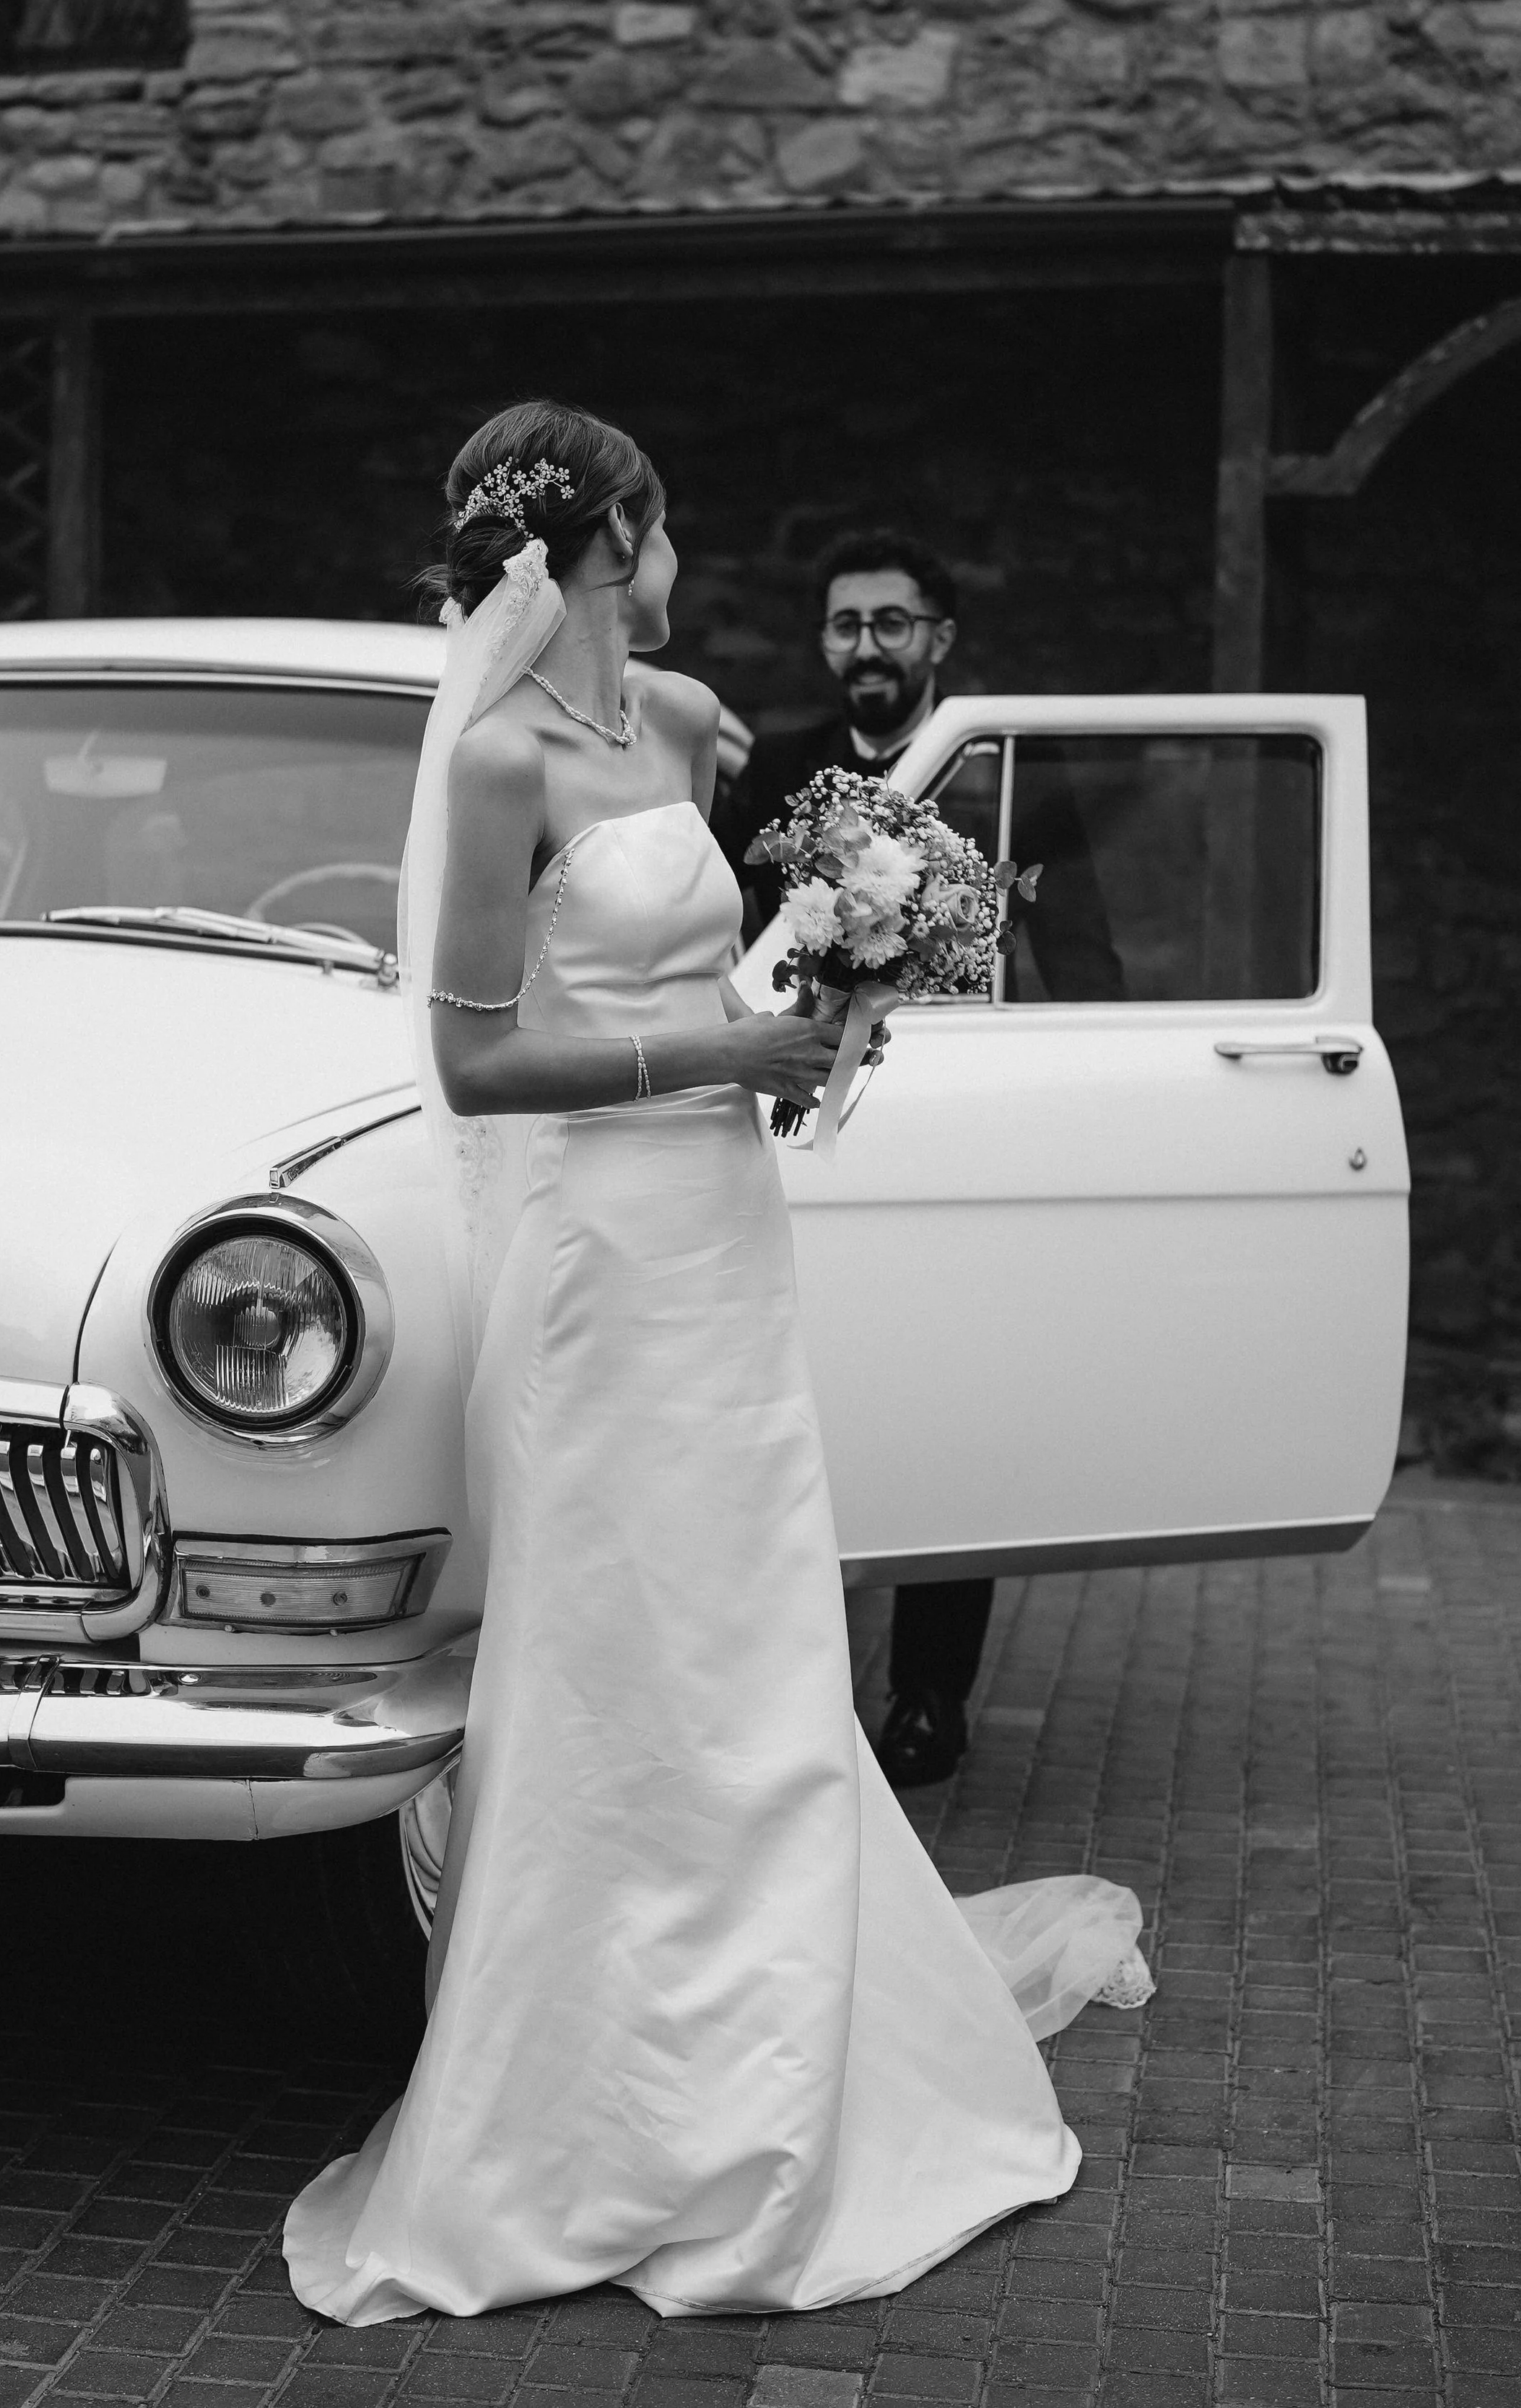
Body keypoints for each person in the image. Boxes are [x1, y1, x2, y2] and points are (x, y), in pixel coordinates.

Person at [283, 403, 1149, 2327]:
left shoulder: (676, 728)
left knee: (752, 1617)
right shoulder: (497, 753)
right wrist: (711, 1061)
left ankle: (784, 2037)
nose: (684, 560)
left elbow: (739, 961)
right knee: (622, 1640)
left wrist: (833, 994)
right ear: (615, 535)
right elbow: (473, 1058)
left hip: (723, 1225)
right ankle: (591, 2092)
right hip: (606, 1242)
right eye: (667, 521)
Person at [722, 531, 1124, 1790]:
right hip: (804, 1114)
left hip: (965, 1118)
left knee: (954, 1392)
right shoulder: (783, 767)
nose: (865, 648)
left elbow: (1083, 950)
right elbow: (730, 944)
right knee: (808, 1397)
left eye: (891, 624)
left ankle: (930, 1697)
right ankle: (796, 1690)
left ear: (939, 640)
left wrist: (1097, 1092)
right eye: (846, 625)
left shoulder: (1006, 767)